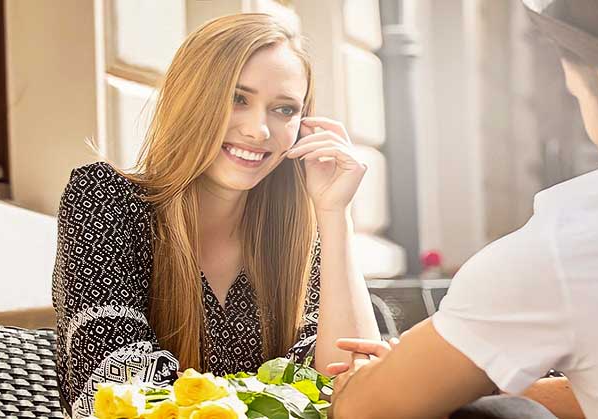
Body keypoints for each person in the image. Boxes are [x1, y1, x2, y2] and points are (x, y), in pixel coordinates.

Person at [327, 1, 598, 418]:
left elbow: (366, 410)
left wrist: (370, 378)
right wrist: (483, 366)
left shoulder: (577, 242)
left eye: (578, 97)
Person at [51, 13, 379, 418]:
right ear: (192, 98)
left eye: (283, 109)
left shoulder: (295, 237)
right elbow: (118, 388)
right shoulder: (105, 199)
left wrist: (335, 216)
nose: (259, 131)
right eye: (237, 98)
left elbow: (356, 391)